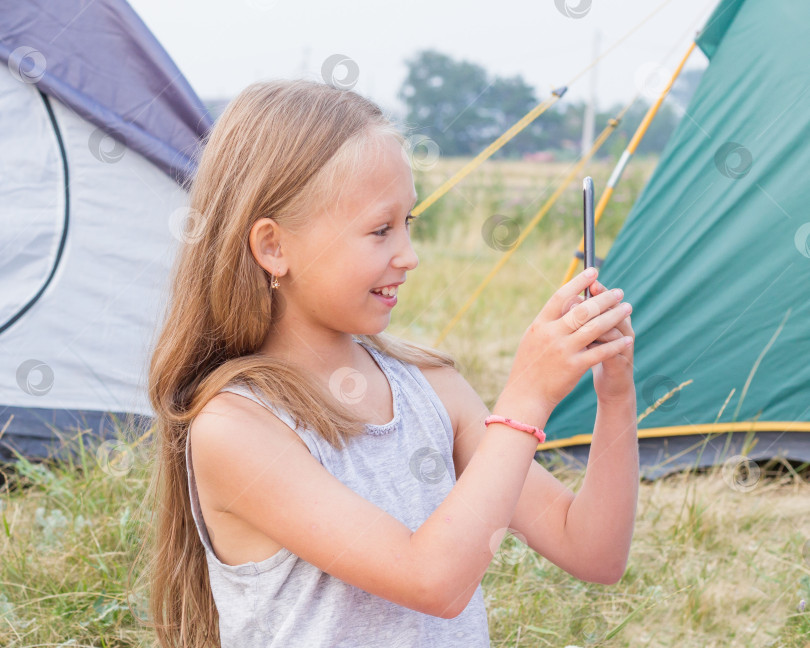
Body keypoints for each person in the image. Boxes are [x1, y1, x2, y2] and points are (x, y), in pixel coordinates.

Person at [140, 78, 638, 648]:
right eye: (380, 230)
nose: (409, 255)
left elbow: (593, 550)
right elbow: (433, 581)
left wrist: (615, 396)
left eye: (410, 223)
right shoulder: (236, 430)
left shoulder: (432, 391)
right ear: (274, 247)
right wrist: (526, 398)